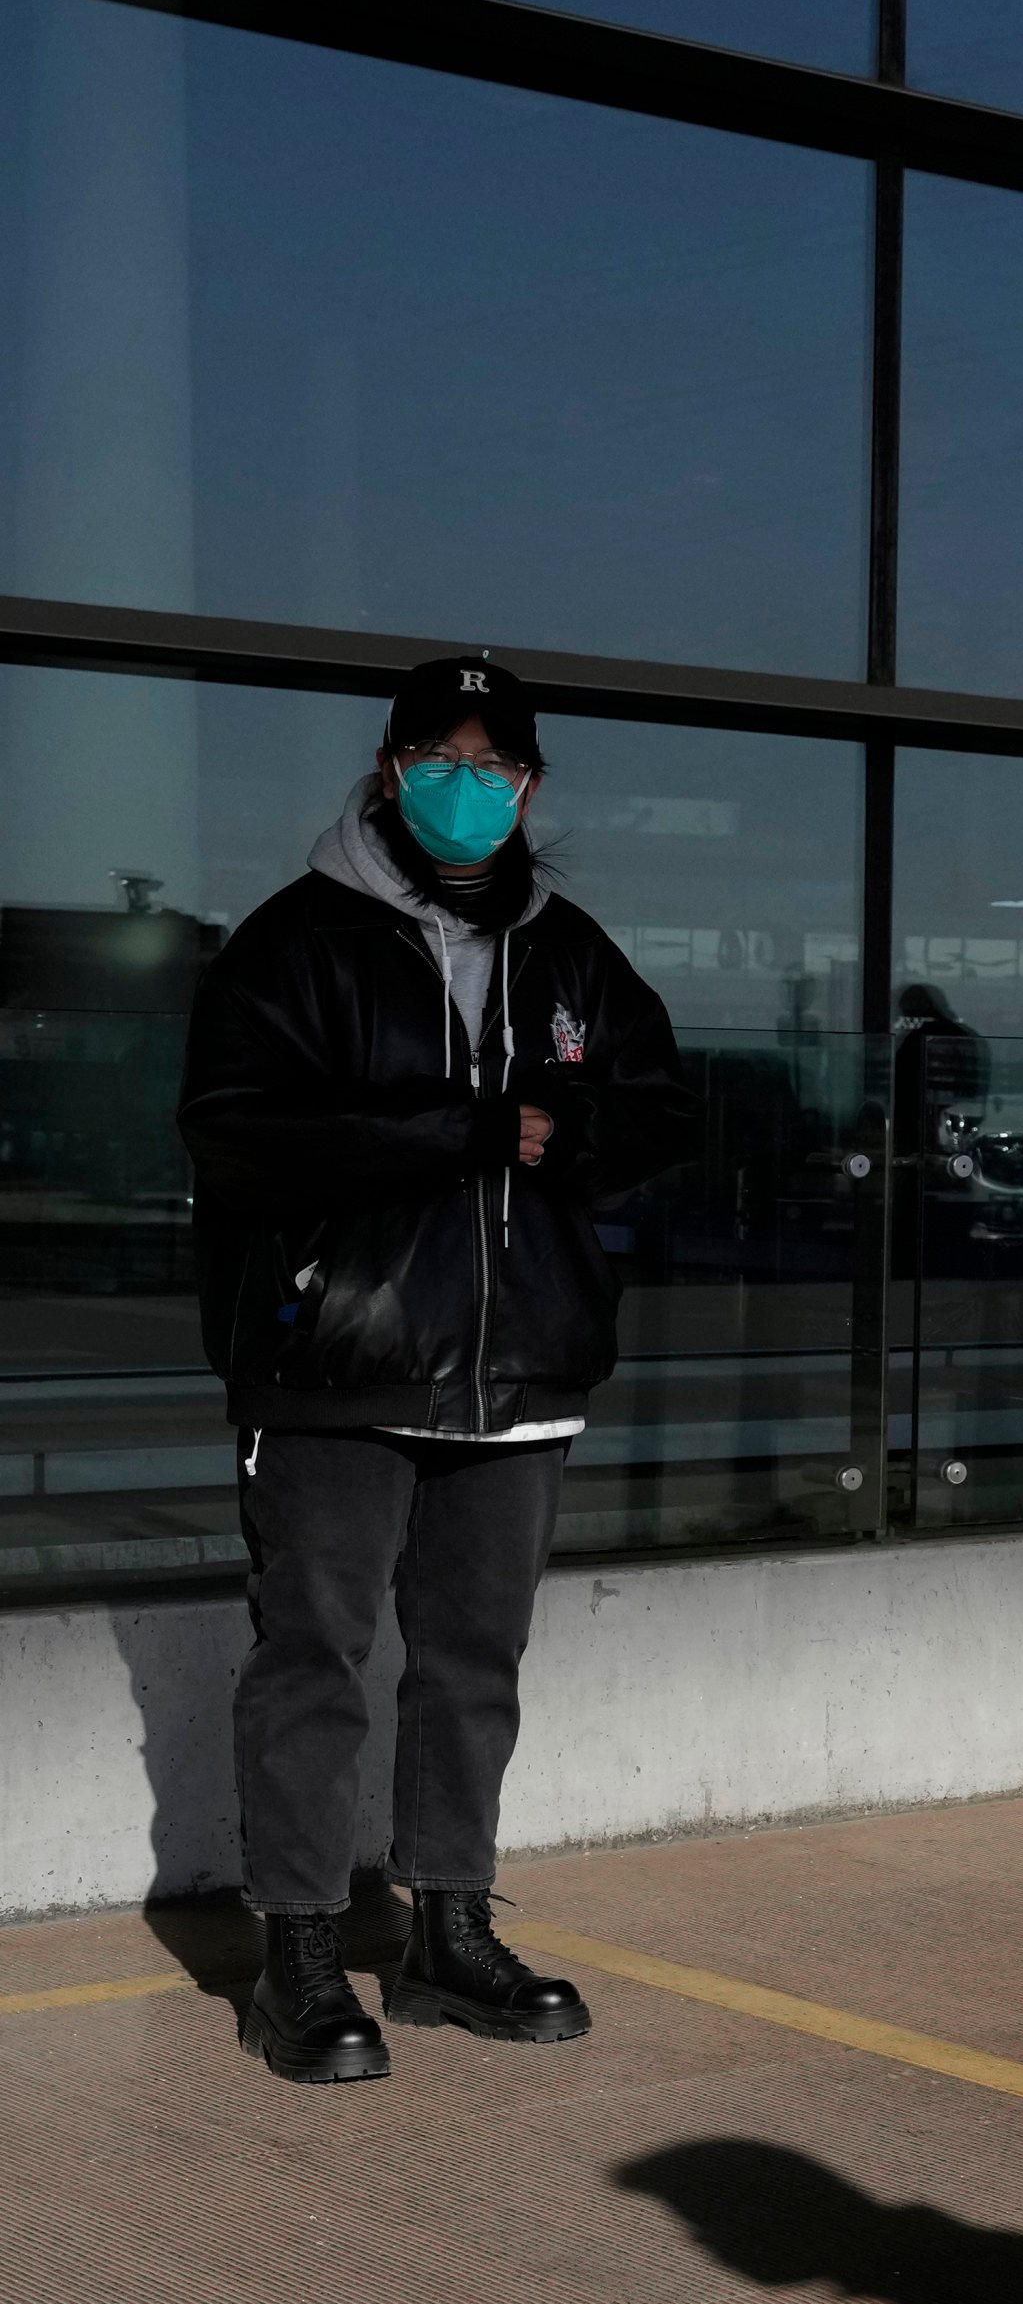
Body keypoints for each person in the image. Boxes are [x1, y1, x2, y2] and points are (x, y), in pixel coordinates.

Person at [178, 655, 693, 2084]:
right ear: (395, 766)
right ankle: (296, 1950)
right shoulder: (292, 943)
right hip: (332, 1362)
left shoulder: (570, 948)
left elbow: (657, 1111)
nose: (472, 786)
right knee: (313, 1662)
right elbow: (236, 1133)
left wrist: (558, 1131)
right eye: (444, 758)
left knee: (473, 1664)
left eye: (499, 765)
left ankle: (449, 1932)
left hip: (520, 1368)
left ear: (528, 787)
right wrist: (461, 1127)